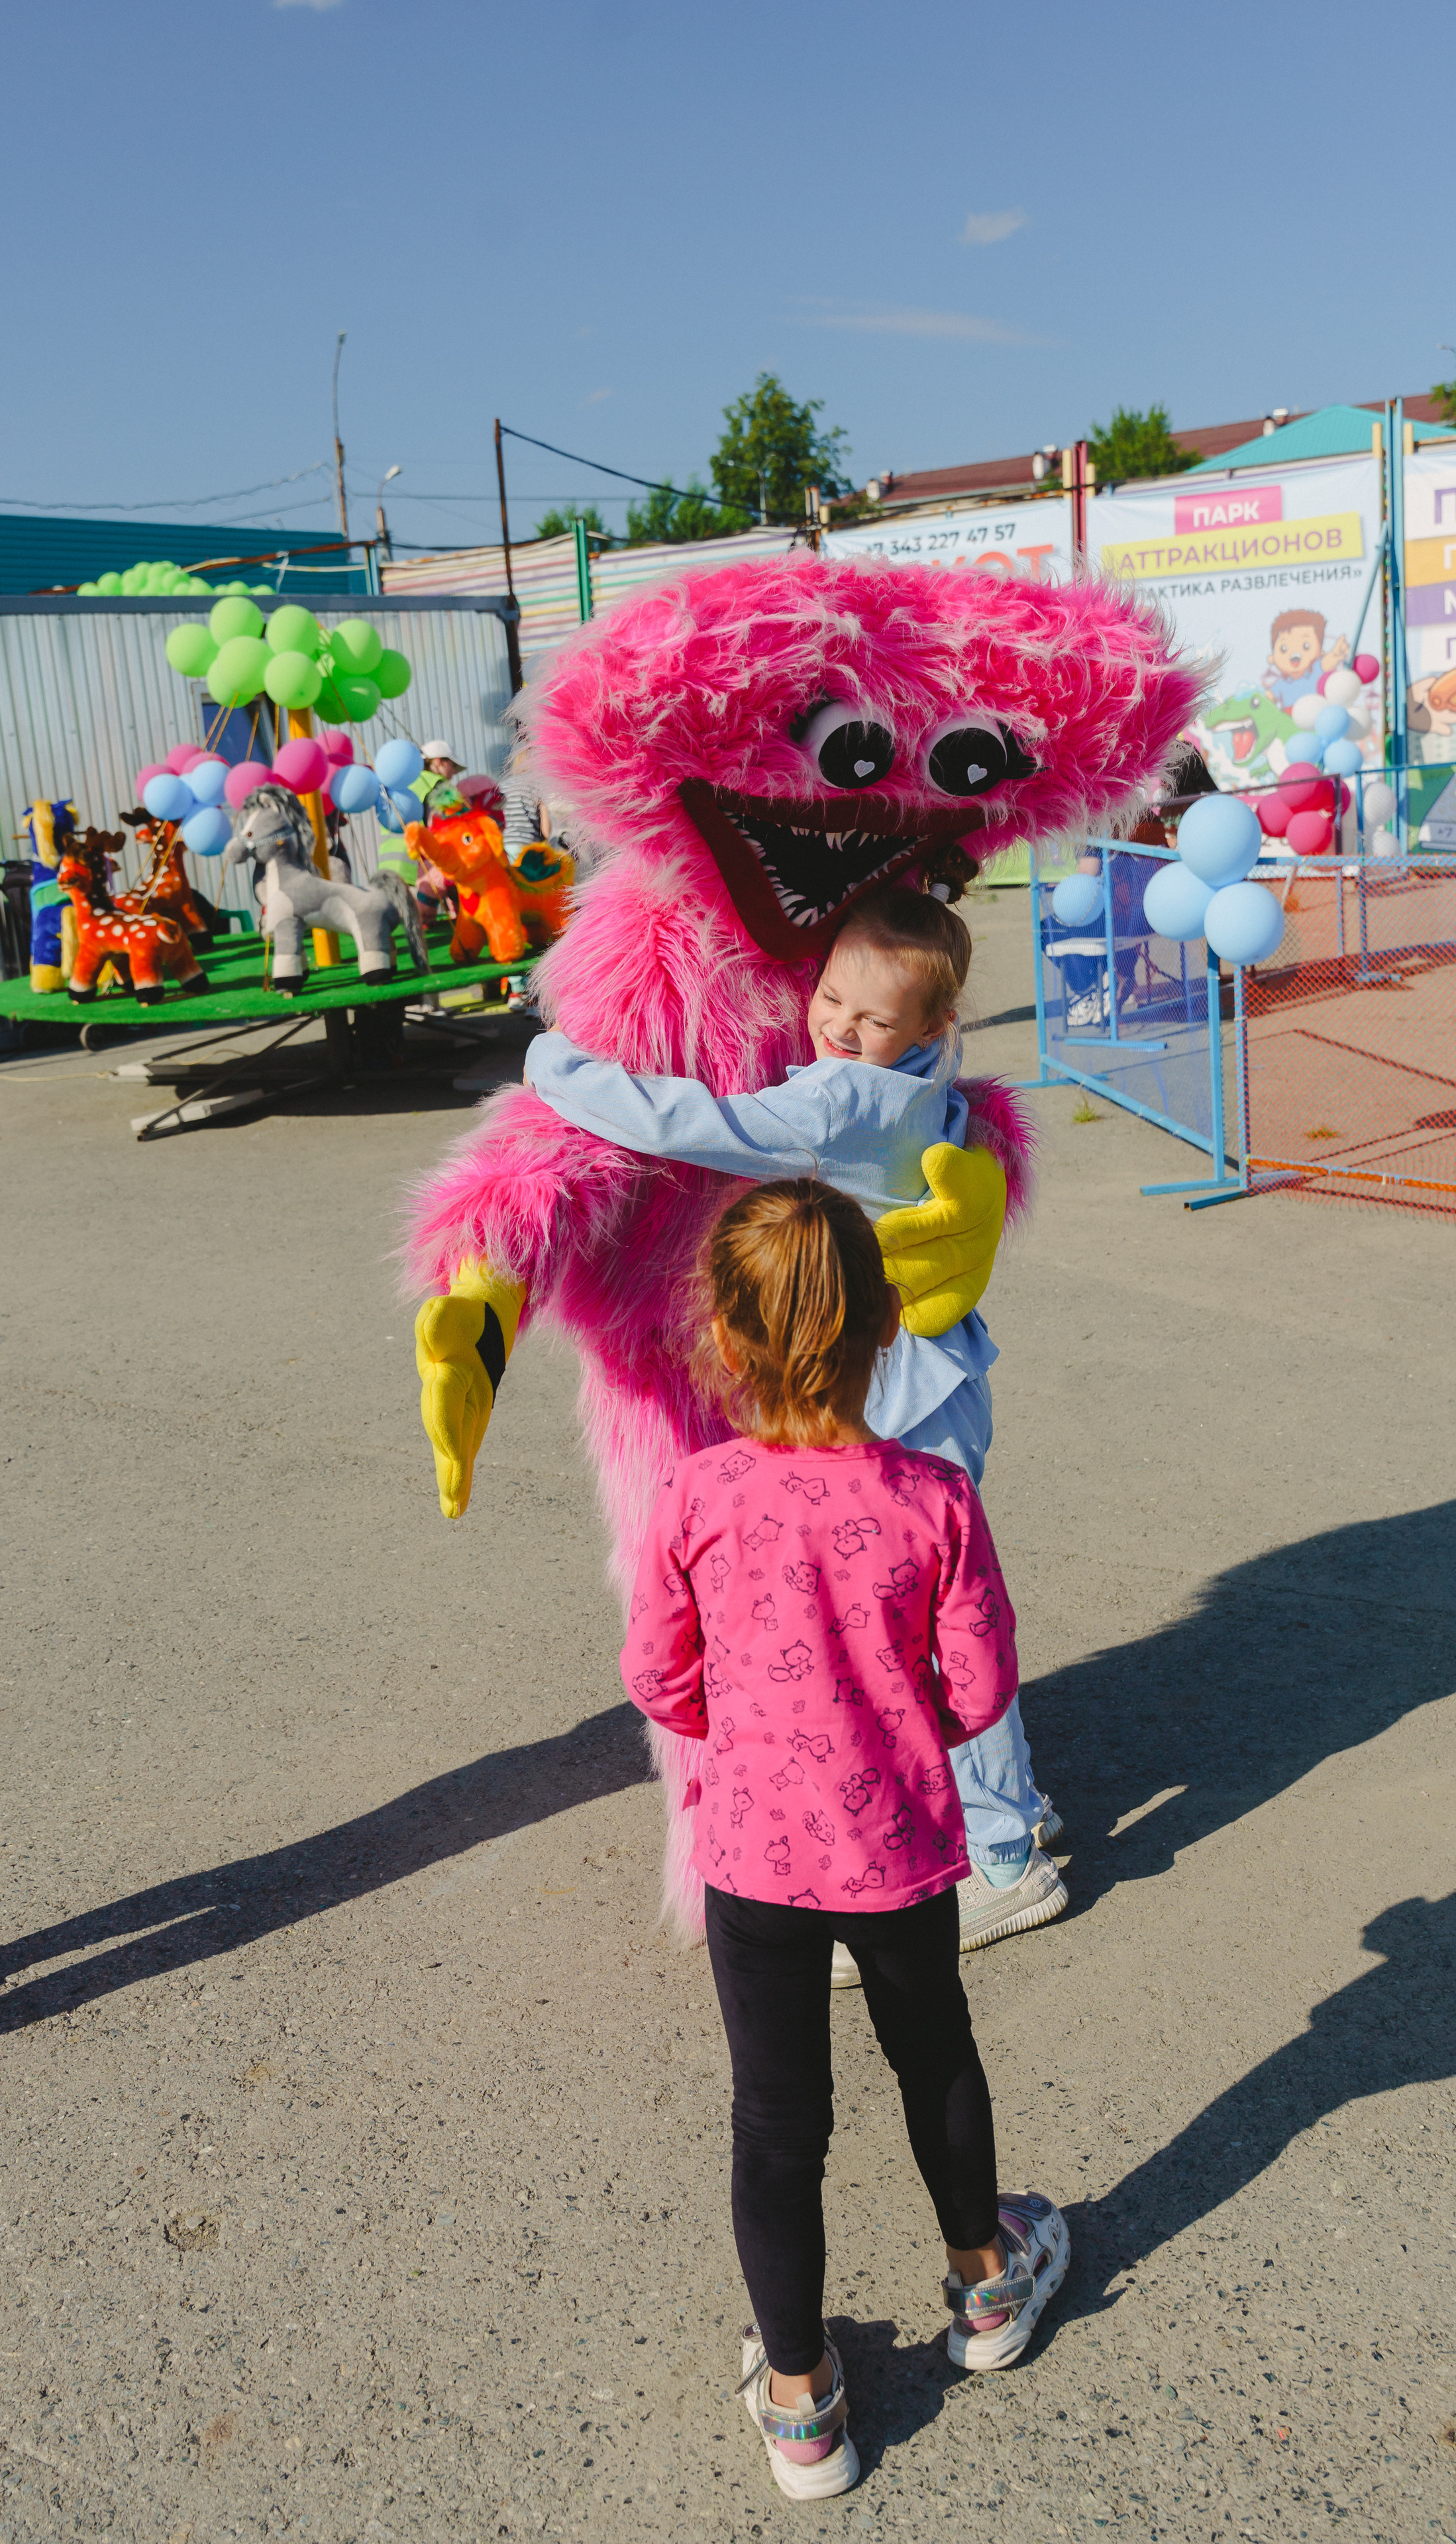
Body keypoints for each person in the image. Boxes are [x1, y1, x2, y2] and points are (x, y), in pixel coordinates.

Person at [622, 1176, 1068, 2502]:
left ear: (723, 1341)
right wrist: (896, 1716)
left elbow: (658, 1676)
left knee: (776, 2123)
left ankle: (802, 2400)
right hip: (897, 1855)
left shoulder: (695, 1497)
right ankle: (986, 2290)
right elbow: (980, 1690)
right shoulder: (933, 1499)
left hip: (752, 1860)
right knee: (933, 2057)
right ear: (887, 1325)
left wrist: (750, 1727)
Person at [528, 886, 1066, 1962]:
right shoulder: (924, 1075)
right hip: (939, 1371)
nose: (837, 1029)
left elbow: (696, 1123)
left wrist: (554, 1067)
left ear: (929, 1030)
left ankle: (1006, 1859)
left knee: (918, 1631)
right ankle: (1013, 1807)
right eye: (829, 999)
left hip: (901, 1396)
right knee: (945, 1617)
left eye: (870, 1021)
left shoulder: (843, 1105)